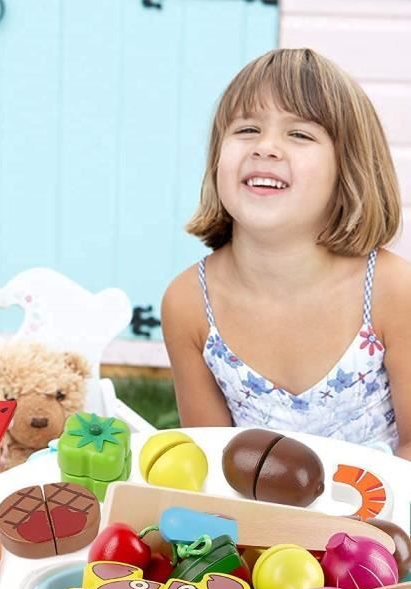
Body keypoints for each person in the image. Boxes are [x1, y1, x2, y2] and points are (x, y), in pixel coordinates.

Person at [162, 48, 411, 458]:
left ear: (348, 168)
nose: (266, 148)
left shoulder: (393, 291)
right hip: (255, 523)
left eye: (299, 134)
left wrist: (361, 524)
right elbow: (209, 466)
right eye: (246, 130)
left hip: (387, 519)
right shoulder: (189, 303)